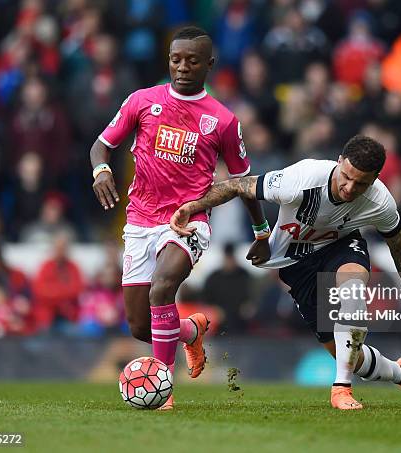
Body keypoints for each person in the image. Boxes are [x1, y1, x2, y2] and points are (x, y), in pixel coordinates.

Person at [171, 135, 401, 410]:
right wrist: (194, 210)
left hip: (341, 246)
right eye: (346, 177)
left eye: (361, 183)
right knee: (349, 357)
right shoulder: (301, 179)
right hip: (296, 264)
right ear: (339, 162)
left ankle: (341, 390)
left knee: (353, 287)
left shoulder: (380, 201)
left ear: (374, 180)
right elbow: (238, 186)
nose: (349, 187)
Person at [89, 26, 270, 410]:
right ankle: (192, 331)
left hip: (188, 221)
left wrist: (261, 230)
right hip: (139, 221)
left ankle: (163, 389)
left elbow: (243, 183)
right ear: (168, 60)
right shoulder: (142, 100)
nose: (183, 67)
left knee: (162, 288)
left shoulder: (222, 120)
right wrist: (100, 171)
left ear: (209, 64)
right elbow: (102, 145)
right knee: (141, 326)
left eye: (192, 60)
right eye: (176, 59)